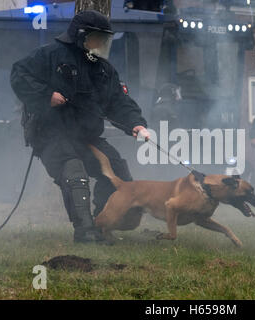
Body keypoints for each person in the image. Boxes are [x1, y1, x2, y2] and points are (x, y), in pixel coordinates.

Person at [10, 10, 150, 243]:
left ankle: (101, 225)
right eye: (98, 38)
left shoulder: (104, 69)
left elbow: (119, 101)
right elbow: (18, 74)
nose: (103, 44)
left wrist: (136, 124)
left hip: (87, 137)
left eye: (105, 39)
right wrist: (47, 95)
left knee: (116, 173)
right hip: (51, 135)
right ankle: (85, 231)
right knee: (74, 171)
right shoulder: (50, 55)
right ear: (81, 36)